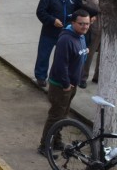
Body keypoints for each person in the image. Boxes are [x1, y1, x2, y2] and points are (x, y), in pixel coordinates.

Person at [38, 9, 91, 156]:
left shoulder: (81, 36)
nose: (85, 27)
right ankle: (45, 145)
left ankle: (56, 141)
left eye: (87, 24)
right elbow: (61, 65)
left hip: (71, 85)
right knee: (55, 116)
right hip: (61, 87)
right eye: (81, 24)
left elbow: (78, 56)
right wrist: (66, 84)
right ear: (73, 23)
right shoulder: (66, 40)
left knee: (63, 116)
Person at [34, 0, 85, 88]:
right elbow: (40, 12)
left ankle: (60, 78)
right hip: (49, 32)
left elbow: (80, 10)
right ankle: (41, 76)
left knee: (63, 58)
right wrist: (52, 20)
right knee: (43, 55)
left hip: (66, 34)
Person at [79, 0, 101, 88]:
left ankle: (98, 76)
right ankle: (83, 77)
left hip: (108, 28)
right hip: (95, 27)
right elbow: (94, 4)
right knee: (89, 54)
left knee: (104, 55)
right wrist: (108, 6)